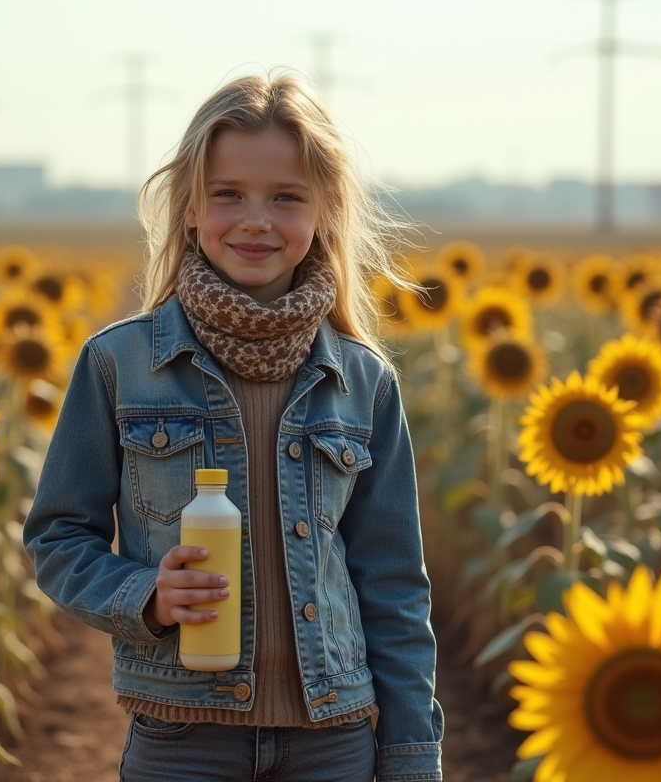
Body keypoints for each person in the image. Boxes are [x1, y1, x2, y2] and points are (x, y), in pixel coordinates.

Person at [23, 71, 443, 782]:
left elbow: (395, 585)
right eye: (228, 195)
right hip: (183, 739)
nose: (256, 220)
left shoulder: (364, 382)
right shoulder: (119, 365)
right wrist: (145, 596)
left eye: (286, 197)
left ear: (325, 213)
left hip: (332, 739)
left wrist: (410, 757)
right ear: (189, 209)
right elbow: (58, 537)